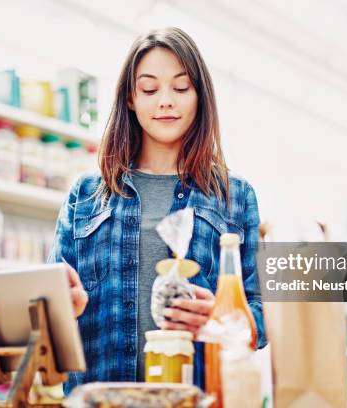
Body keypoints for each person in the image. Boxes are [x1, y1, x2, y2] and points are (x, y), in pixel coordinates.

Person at [49, 27, 267, 393]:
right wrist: (59, 305)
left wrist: (220, 316)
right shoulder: (85, 195)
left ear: (199, 96)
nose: (165, 100)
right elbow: (52, 304)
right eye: (149, 89)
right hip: (100, 398)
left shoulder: (235, 195)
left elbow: (262, 312)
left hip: (195, 397)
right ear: (131, 98)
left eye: (181, 88)